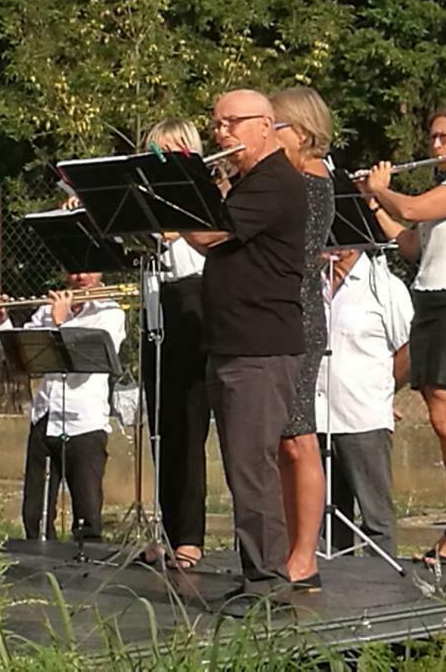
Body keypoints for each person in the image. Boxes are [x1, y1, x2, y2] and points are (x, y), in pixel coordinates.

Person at [181, 89, 307, 609]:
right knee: (240, 464)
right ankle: (256, 570)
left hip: (260, 346)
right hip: (232, 342)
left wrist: (169, 206)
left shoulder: (276, 181)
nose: (222, 133)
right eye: (217, 125)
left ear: (266, 126)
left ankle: (267, 579)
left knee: (252, 466)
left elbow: (212, 237)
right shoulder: (248, 182)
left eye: (232, 123)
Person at [359, 106, 446, 567]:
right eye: (433, 138)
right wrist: (375, 202)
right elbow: (411, 244)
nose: (436, 146)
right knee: (436, 413)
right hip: (431, 299)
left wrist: (386, 189)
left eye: (445, 137)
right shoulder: (445, 190)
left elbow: (415, 208)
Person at [0, 273, 126, 541]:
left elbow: (87, 360)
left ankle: (86, 572)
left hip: (84, 422)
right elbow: (16, 353)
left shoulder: (111, 313)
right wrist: (0, 321)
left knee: (87, 514)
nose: (81, 277)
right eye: (75, 271)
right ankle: (39, 570)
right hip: (45, 416)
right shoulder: (46, 308)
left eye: (89, 270)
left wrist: (60, 322)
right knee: (34, 514)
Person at [269, 86, 335, 590]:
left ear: (305, 133)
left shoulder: (310, 182)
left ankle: (305, 556)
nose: (270, 134)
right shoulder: (282, 179)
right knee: (283, 439)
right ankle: (289, 547)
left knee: (299, 434)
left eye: (277, 126)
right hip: (275, 308)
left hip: (299, 309)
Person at [138, 118, 210, 570]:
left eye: (170, 152)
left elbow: (205, 250)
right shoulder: (145, 195)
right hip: (155, 308)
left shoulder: (202, 191)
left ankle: (190, 535)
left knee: (188, 427)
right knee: (161, 428)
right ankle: (164, 527)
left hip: (192, 301)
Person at [316, 249, 412, 558]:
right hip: (315, 417)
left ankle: (381, 585)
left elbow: (409, 348)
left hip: (363, 416)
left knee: (375, 515)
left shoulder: (384, 286)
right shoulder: (309, 284)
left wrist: (384, 388)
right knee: (323, 517)